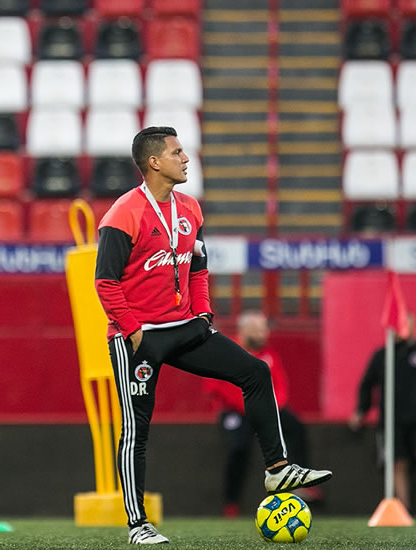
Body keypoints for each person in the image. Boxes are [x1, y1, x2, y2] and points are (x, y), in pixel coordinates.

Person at [94, 126, 332, 544]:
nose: (186, 159)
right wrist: (133, 332)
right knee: (136, 430)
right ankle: (138, 525)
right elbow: (105, 283)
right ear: (154, 162)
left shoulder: (190, 208)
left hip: (186, 327)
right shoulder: (123, 213)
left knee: (256, 372)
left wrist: (203, 314)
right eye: (177, 152)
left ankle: (277, 469)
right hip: (139, 337)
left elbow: (198, 269)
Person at [203, 311, 318, 518]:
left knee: (295, 427)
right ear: (243, 331)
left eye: (264, 330)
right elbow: (217, 387)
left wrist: (272, 407)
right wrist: (250, 407)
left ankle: (302, 482)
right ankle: (231, 502)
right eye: (257, 330)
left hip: (265, 409)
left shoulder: (269, 354)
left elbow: (280, 385)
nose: (262, 334)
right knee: (238, 447)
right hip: (235, 412)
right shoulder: (228, 351)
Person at [348, 313, 416, 513]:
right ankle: (405, 509)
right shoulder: (383, 355)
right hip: (391, 421)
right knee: (397, 463)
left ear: (414, 327)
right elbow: (367, 384)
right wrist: (361, 410)